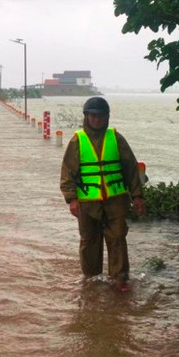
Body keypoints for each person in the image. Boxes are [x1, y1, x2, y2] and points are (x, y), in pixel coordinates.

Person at [60, 97, 146, 291]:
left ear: (106, 117)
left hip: (115, 202)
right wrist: (72, 199)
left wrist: (137, 196)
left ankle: (119, 278)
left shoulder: (116, 138)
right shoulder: (77, 140)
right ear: (86, 117)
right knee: (89, 241)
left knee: (117, 238)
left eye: (100, 116)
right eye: (92, 116)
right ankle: (91, 279)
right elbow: (67, 172)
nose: (96, 119)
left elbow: (131, 169)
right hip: (87, 203)